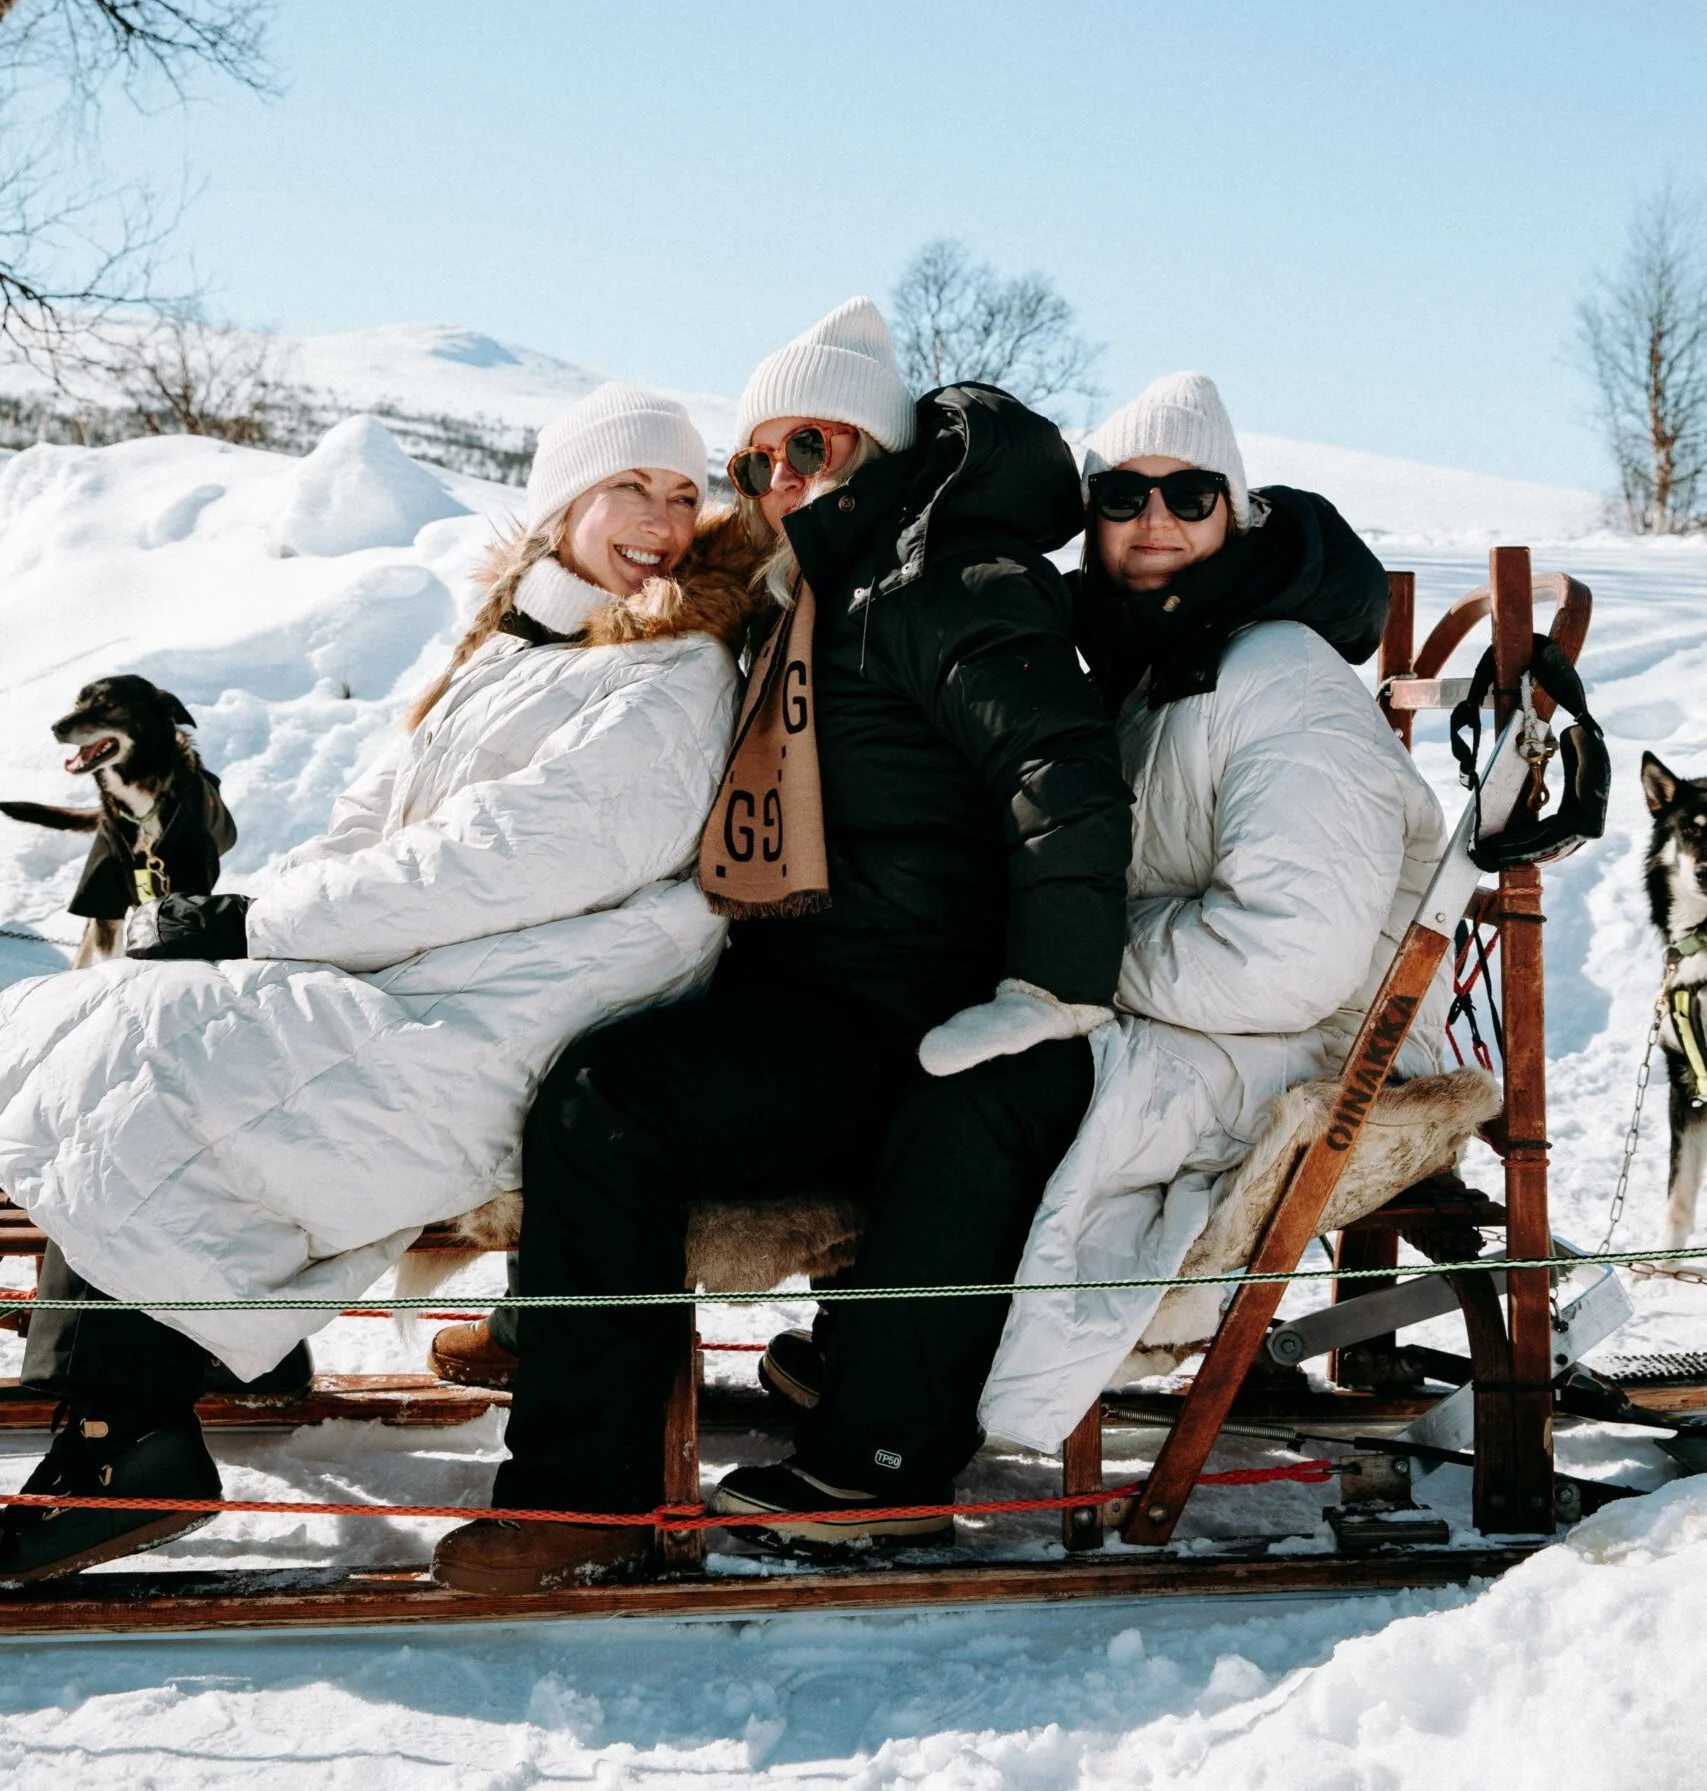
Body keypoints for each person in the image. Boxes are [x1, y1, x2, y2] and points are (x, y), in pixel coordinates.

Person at [431, 297, 1136, 1594]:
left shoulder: (941, 576)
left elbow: (1060, 772)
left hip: (903, 1012)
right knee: (584, 1066)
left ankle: (575, 1502)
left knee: (609, 1104)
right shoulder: (806, 585)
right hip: (809, 986)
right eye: (754, 461)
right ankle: (565, 1341)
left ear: (872, 446)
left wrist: (1050, 986)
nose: (777, 480)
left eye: (807, 445)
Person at [0, 384, 758, 1588]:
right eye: (632, 487)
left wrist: (260, 921)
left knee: (165, 1043)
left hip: (519, 1011)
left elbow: (513, 854)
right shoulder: (519, 645)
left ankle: (124, 1439)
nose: (663, 518)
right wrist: (245, 923)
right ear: (564, 502)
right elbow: (377, 818)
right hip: (442, 974)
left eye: (682, 492)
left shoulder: (674, 669)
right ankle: (125, 1405)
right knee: (112, 1011)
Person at [973, 371, 1448, 1450]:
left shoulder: (1277, 673)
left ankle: (915, 1379)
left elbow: (1291, 954)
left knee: (1001, 1093)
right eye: (1124, 496)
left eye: (1191, 495)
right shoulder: (1155, 662)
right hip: (1223, 1017)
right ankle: (916, 1339)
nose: (1156, 521)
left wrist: (1072, 954)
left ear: (1237, 513)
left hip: (1324, 1041)